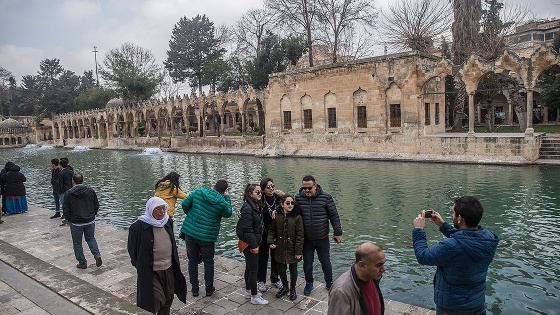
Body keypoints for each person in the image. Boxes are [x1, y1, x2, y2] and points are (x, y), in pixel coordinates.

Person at [412, 196, 499, 315]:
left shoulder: (450, 247)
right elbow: (465, 238)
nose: (452, 216)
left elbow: (422, 256)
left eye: (453, 213)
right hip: (477, 305)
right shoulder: (489, 239)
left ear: (459, 218)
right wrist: (443, 225)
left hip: (452, 309)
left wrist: (418, 230)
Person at [128, 197, 187, 315]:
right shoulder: (138, 227)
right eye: (157, 209)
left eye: (163, 208)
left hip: (168, 268)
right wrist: (141, 265)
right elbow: (132, 251)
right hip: (151, 271)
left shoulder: (168, 222)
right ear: (150, 210)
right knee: (155, 298)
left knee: (168, 298)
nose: (161, 212)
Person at [180, 179, 232, 297]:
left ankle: (194, 289)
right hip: (207, 236)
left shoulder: (199, 192)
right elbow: (228, 213)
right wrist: (227, 198)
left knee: (192, 260)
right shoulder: (222, 202)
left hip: (191, 232)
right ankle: (209, 289)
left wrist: (191, 215)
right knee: (208, 262)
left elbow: (184, 204)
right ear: (224, 191)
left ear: (213, 186)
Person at [295, 175, 343, 296]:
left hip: (322, 237)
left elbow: (334, 216)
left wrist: (337, 233)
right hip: (306, 239)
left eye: (309, 188)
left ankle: (329, 282)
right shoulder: (298, 198)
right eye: (304, 188)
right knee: (307, 262)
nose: (306, 190)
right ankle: (309, 283)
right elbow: (291, 213)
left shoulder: (326, 197)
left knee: (325, 261)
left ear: (315, 186)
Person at [328, 242, 386, 315]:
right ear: (362, 265)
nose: (384, 269)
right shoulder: (341, 291)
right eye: (379, 265)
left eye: (384, 264)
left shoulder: (372, 276)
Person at [236, 183, 269, 305]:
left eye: (261, 192)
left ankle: (249, 291)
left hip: (251, 241)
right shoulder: (248, 208)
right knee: (253, 269)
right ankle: (254, 296)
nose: (260, 194)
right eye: (258, 192)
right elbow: (248, 229)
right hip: (249, 243)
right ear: (250, 194)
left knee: (249, 267)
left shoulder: (255, 205)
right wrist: (255, 245)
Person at [267, 194, 304, 301]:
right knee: (281, 270)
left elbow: (300, 236)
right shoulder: (277, 216)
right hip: (280, 248)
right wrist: (270, 242)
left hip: (293, 248)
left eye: (292, 203)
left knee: (293, 270)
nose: (290, 205)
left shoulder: (297, 217)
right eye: (288, 203)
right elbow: (272, 231)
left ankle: (293, 289)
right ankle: (285, 287)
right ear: (282, 204)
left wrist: (298, 251)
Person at [62, 173, 102, 269]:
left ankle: (82, 262)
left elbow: (66, 209)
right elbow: (96, 205)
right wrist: (93, 214)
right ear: (82, 180)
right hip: (89, 220)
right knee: (91, 238)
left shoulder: (68, 193)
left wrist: (68, 219)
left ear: (73, 182)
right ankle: (97, 254)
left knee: (77, 242)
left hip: (76, 222)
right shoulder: (90, 191)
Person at [257, 177, 283, 292]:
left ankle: (275, 278)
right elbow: (250, 208)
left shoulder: (279, 198)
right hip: (263, 233)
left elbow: (289, 206)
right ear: (263, 189)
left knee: (276, 257)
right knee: (263, 257)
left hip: (276, 233)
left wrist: (277, 209)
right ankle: (261, 280)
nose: (271, 188)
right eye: (268, 187)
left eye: (273, 186)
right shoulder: (259, 199)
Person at [58, 157, 74, 226]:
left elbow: (60, 184)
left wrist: (59, 192)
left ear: (60, 165)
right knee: (70, 206)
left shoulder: (61, 173)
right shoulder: (70, 172)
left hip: (64, 191)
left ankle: (67, 220)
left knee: (65, 206)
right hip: (70, 190)